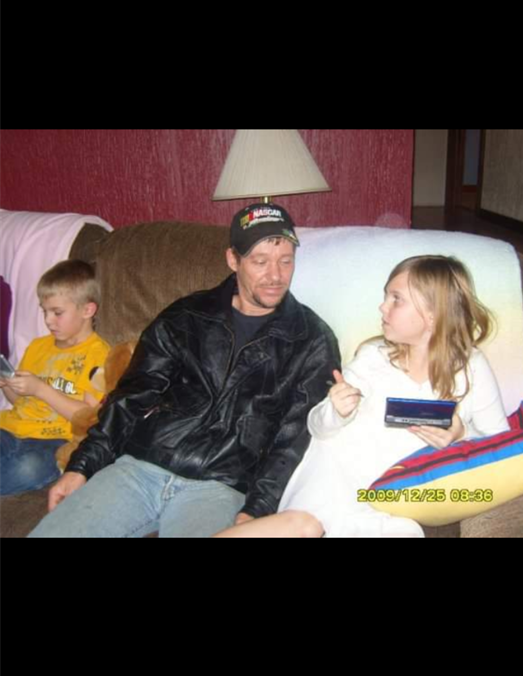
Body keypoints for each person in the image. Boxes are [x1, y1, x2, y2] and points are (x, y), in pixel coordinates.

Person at [27, 203, 341, 537]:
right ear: (233, 260)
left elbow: (294, 438)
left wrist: (258, 508)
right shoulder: (186, 315)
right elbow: (132, 395)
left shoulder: (312, 340)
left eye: (286, 261)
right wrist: (81, 466)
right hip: (141, 468)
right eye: (260, 262)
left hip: (220, 487)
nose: (275, 276)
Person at [213, 255, 510, 537]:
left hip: (390, 500)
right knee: (305, 526)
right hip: (334, 478)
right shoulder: (373, 357)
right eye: (386, 296)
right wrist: (336, 411)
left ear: (433, 315)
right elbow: (317, 427)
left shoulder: (471, 368)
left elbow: (504, 447)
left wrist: (461, 435)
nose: (382, 307)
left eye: (396, 299)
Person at [0, 261, 109, 495]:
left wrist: (41, 389)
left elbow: (91, 417)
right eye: (44, 311)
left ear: (87, 310)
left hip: (54, 440)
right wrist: (7, 384)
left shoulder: (100, 356)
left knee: (28, 468)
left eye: (57, 313)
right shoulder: (37, 347)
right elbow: (21, 401)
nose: (48, 320)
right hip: (9, 427)